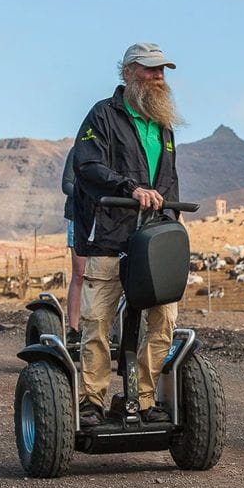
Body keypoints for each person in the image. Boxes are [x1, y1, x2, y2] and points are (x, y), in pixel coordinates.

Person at [72, 42, 182, 425]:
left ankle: (143, 399)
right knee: (98, 321)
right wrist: (128, 188)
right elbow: (87, 165)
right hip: (109, 237)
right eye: (151, 70)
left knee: (164, 319)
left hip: (152, 241)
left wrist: (172, 226)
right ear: (128, 72)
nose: (158, 77)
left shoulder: (164, 125)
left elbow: (169, 182)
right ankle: (91, 401)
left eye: (162, 71)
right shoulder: (102, 115)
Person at [60, 146, 84, 345]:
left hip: (110, 219)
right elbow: (67, 184)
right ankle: (74, 329)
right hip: (80, 217)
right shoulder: (78, 150)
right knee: (80, 272)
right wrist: (88, 195)